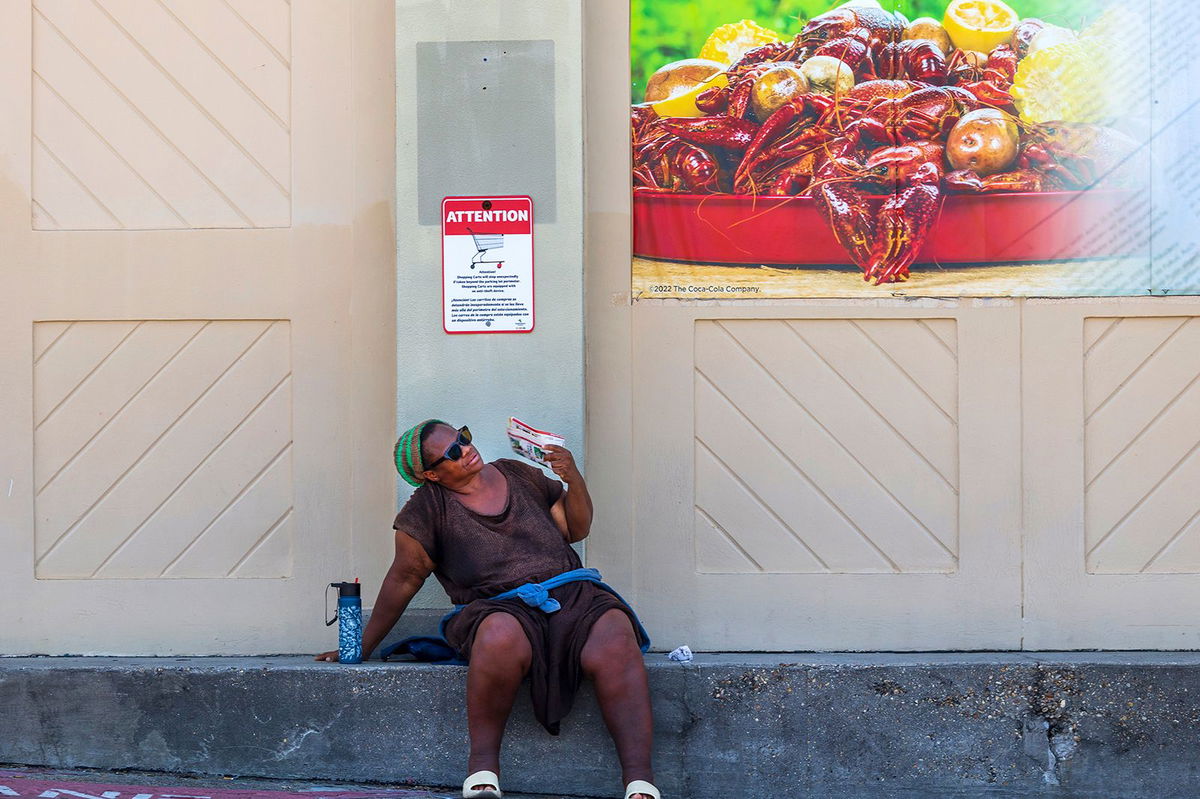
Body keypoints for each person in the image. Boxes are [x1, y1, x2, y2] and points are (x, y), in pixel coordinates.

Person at [316, 419, 660, 799]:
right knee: (500, 635)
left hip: (571, 593)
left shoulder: (516, 473)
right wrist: (363, 645)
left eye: (462, 438)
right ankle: (482, 770)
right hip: (495, 608)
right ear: (431, 474)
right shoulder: (426, 511)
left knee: (614, 630)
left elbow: (575, 529)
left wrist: (572, 478)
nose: (466, 449)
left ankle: (640, 781)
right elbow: (404, 580)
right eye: (452, 452)